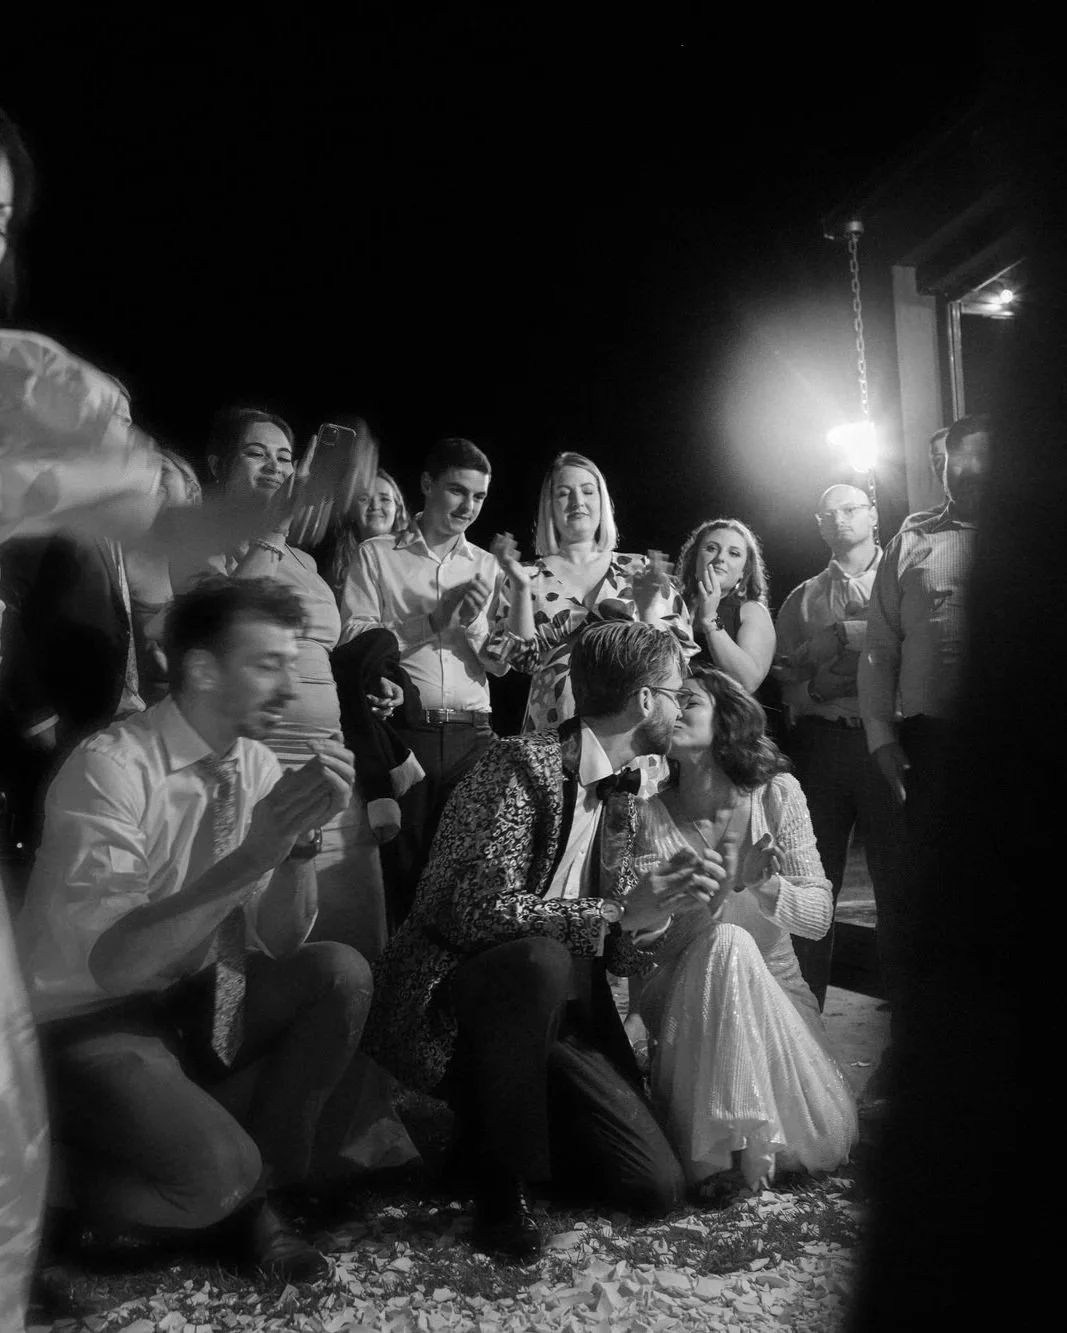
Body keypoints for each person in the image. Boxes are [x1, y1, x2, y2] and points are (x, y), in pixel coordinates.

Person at [16, 577, 372, 1282]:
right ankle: (56, 1190)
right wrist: (255, 853)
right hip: (83, 1016)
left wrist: (297, 846)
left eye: (290, 663)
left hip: (189, 996)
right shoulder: (110, 768)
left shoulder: (256, 760)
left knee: (340, 972)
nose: (287, 683)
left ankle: (257, 1193)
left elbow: (281, 940)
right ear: (204, 669)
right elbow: (115, 966)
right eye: (267, 663)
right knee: (213, 1176)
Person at [364, 621, 717, 1260]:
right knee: (540, 959)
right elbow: (470, 909)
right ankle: (500, 1193)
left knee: (652, 1187)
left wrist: (650, 916)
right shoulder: (516, 763)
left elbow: (622, 947)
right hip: (455, 999)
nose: (680, 701)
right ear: (643, 701)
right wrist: (610, 912)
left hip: (558, 1017)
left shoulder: (624, 794)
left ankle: (482, 1137)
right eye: (676, 689)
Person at [172, 407, 389, 961]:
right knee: (265, 949)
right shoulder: (200, 546)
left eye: (286, 456)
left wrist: (365, 686)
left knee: (357, 943)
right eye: (256, 452)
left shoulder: (304, 561)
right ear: (219, 464)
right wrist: (272, 529)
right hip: (256, 768)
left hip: (331, 767)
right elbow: (227, 624)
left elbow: (319, 653)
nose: (275, 466)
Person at [635, 667, 857, 1197]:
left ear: (727, 719)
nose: (673, 710)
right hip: (686, 1008)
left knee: (734, 943)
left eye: (689, 701)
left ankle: (729, 1157)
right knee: (724, 944)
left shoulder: (777, 795)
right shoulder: (645, 811)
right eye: (669, 700)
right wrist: (706, 897)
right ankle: (742, 1156)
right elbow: (640, 939)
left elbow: (819, 916)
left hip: (777, 1003)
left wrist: (764, 887)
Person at [858, 414, 990, 1091]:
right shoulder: (911, 537)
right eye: (948, 462)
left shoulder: (1036, 533)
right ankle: (919, 1052)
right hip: (928, 744)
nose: (958, 472)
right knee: (926, 899)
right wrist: (881, 739)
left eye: (972, 461)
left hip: (1010, 746)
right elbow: (878, 647)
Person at [340, 436, 505, 931]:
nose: (468, 507)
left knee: (464, 883)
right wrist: (433, 621)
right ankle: (396, 1000)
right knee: (402, 883)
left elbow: (498, 663)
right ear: (427, 485)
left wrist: (474, 624)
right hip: (405, 736)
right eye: (457, 491)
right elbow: (355, 638)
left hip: (473, 736)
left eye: (478, 497)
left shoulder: (485, 565)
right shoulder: (377, 555)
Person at [772, 483, 904, 1009]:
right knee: (813, 879)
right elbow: (783, 675)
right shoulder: (801, 597)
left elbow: (910, 640)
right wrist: (818, 687)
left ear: (873, 515)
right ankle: (808, 1014)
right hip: (824, 744)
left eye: (850, 509)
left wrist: (846, 637)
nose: (840, 519)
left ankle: (907, 1016)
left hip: (886, 740)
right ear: (819, 525)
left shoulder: (899, 578)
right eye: (828, 514)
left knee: (896, 882)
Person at [486, 451, 695, 732]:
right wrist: (521, 587)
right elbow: (519, 661)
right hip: (555, 728)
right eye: (563, 493)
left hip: (631, 732)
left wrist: (648, 610)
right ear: (549, 506)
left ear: (602, 500)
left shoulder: (639, 569)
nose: (577, 502)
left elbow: (672, 663)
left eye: (588, 491)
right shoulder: (524, 575)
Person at [675, 517, 776, 692]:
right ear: (694, 558)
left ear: (743, 571)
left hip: (724, 716)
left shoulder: (751, 611)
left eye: (734, 553)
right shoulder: (674, 603)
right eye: (711, 548)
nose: (720, 558)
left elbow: (748, 681)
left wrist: (710, 620)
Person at [324, 464, 409, 605]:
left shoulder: (418, 559)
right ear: (352, 510)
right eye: (364, 499)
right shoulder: (333, 573)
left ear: (397, 508)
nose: (375, 506)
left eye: (385, 499)